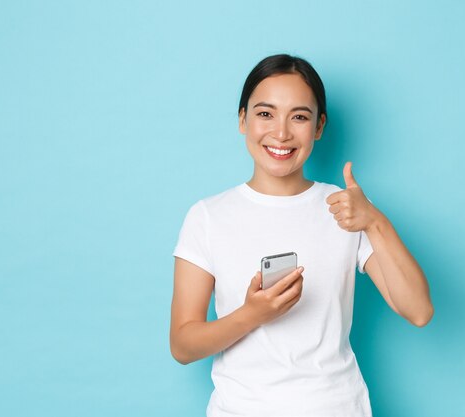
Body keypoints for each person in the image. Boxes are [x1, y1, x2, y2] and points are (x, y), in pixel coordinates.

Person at [169, 54, 434, 417]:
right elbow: (183, 345)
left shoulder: (347, 208)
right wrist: (252, 314)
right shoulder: (208, 216)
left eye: (299, 116)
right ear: (243, 120)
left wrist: (375, 221)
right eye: (265, 113)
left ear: (319, 126)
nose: (281, 133)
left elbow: (418, 311)